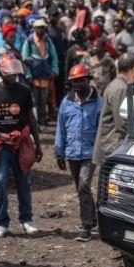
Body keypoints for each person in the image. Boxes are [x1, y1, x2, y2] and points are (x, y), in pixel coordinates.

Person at [0, 55, 42, 238]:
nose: (12, 77)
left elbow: (31, 118)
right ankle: (1, 222)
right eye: (8, 74)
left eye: (14, 74)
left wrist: (38, 145)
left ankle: (26, 220)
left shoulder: (24, 92)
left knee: (23, 182)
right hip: (2, 144)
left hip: (22, 143)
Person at [54, 64, 102, 242]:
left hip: (90, 153)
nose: (77, 84)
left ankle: (85, 226)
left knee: (83, 186)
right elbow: (61, 129)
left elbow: (102, 130)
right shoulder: (66, 102)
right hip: (72, 153)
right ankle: (94, 217)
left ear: (88, 80)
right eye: (74, 81)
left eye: (80, 80)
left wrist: (101, 151)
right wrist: (59, 153)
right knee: (82, 189)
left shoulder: (98, 102)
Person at [93, 53, 134, 170]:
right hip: (113, 146)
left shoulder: (119, 85)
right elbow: (122, 123)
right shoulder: (121, 88)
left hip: (112, 146)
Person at [20, 18, 59, 126]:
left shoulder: (48, 41)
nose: (41, 30)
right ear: (34, 29)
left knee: (43, 100)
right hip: (34, 77)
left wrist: (54, 70)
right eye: (39, 28)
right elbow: (25, 60)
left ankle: (42, 121)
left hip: (45, 76)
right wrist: (28, 75)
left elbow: (54, 57)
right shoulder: (29, 41)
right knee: (33, 101)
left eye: (43, 28)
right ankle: (33, 123)